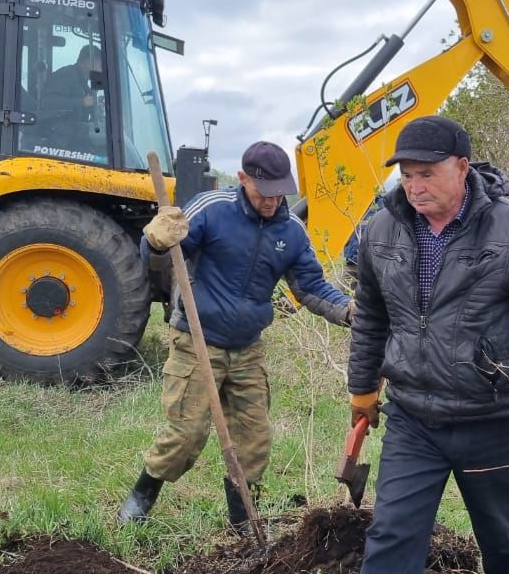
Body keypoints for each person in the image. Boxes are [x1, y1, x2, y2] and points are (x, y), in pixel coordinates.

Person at [347, 115, 509, 573]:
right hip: (413, 418)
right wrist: (362, 387)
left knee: (501, 538)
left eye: (427, 173)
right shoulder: (381, 231)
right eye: (407, 175)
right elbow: (371, 315)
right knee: (390, 540)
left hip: (492, 418)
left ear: (463, 167)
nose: (415, 186)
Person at [119, 141, 353, 532]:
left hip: (247, 350)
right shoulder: (210, 210)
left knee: (254, 439)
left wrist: (348, 310)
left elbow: (311, 286)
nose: (273, 200)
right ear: (243, 178)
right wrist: (155, 241)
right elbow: (159, 260)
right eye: (265, 191)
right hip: (197, 341)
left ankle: (242, 518)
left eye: (281, 191)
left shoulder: (291, 232)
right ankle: (142, 496)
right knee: (186, 433)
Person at [40, 44, 104, 154]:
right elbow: (47, 103)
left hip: (74, 139)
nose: (101, 70)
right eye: (100, 65)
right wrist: (81, 102)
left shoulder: (83, 84)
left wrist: (98, 109)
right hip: (59, 143)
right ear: (88, 61)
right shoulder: (66, 75)